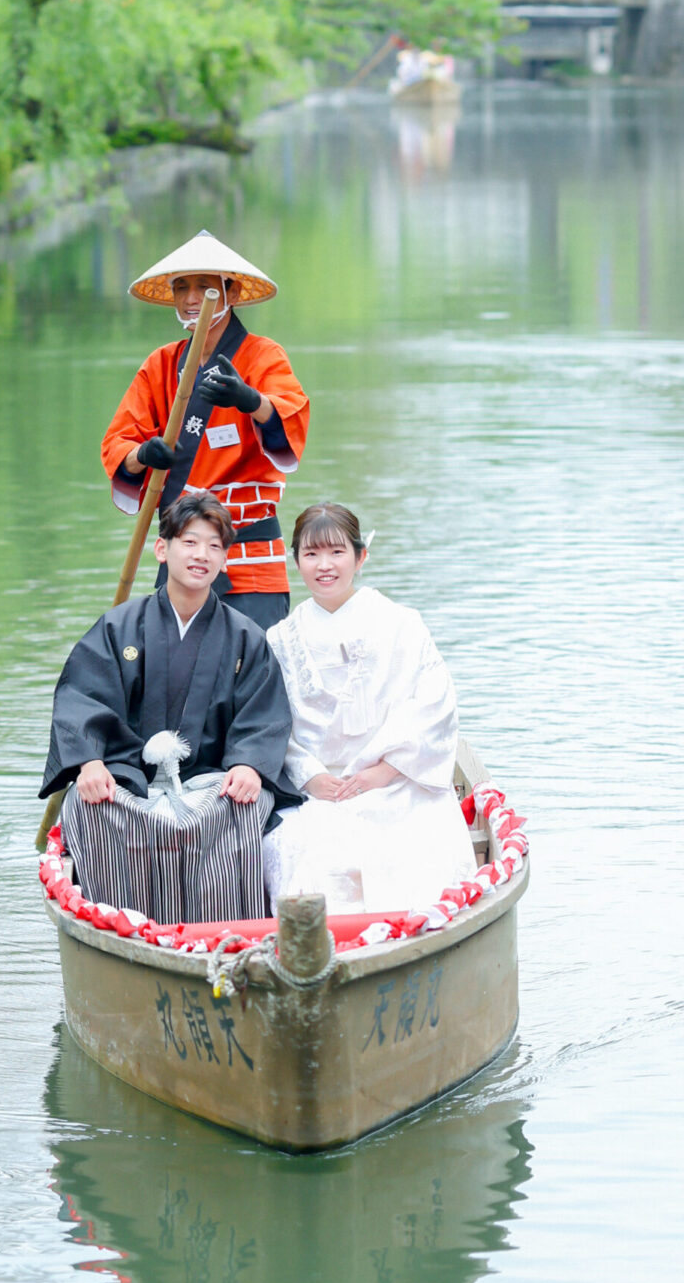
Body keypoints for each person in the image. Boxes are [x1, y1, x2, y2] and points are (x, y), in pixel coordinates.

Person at [41, 491, 298, 925]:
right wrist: (88, 762)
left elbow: (264, 714)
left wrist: (251, 765)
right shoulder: (118, 626)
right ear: (163, 549)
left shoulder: (245, 637)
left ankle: (222, 932)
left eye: (215, 546)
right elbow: (83, 697)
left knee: (248, 806)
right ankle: (124, 926)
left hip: (213, 783)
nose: (202, 555)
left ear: (225, 560)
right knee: (85, 807)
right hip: (129, 781)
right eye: (190, 542)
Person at [263, 503, 477, 914]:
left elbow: (436, 705)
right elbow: (271, 723)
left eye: (337, 552)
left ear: (361, 557)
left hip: (400, 780)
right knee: (306, 849)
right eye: (311, 554)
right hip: (320, 790)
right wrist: (310, 777)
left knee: (408, 847)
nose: (324, 565)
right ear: (296, 561)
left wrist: (386, 771)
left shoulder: (401, 623)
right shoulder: (280, 639)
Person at [102, 228, 310, 632]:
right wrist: (143, 454)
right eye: (181, 287)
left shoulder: (262, 355)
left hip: (247, 557)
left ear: (229, 293)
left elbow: (290, 416)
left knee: (251, 675)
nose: (192, 297)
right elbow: (118, 441)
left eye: (203, 286)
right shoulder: (160, 365)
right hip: (183, 558)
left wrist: (251, 400)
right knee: (172, 682)